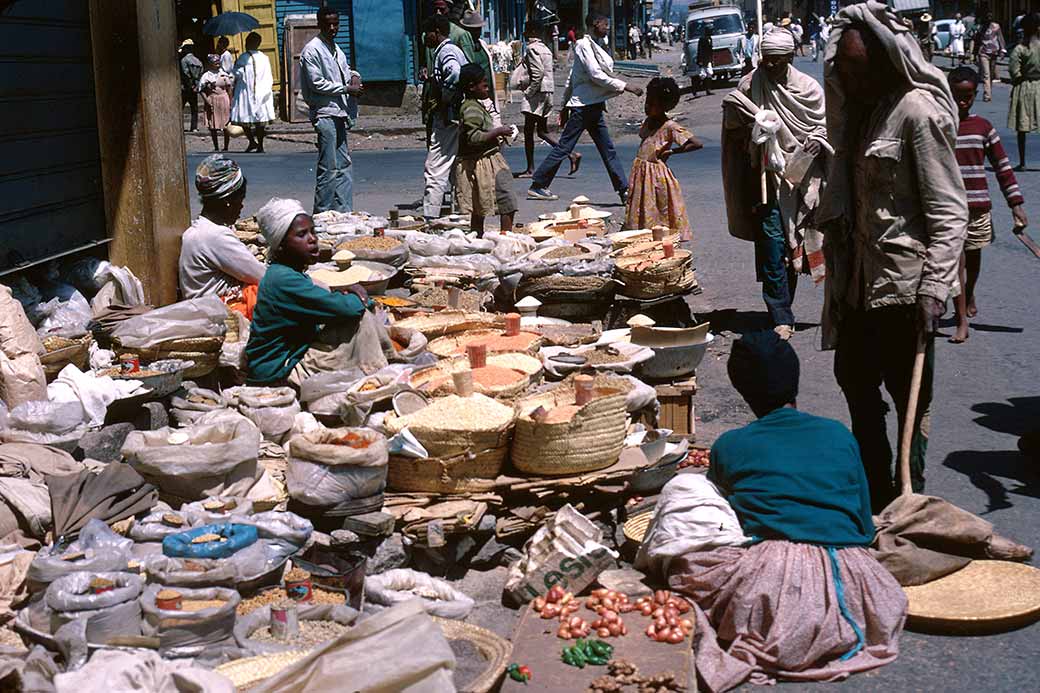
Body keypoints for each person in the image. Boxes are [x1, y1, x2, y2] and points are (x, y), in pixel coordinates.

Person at [636, 331, 906, 690]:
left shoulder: (732, 444)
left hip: (771, 580)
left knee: (688, 487)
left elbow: (735, 518)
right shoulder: (838, 433)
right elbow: (862, 519)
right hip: (854, 580)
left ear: (743, 391)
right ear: (795, 379)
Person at [818, 3, 967, 511]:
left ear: (882, 65)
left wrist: (935, 289)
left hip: (905, 292)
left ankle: (909, 499)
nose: (845, 76)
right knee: (856, 388)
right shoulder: (857, 118)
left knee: (909, 405)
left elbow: (949, 213)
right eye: (843, 66)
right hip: (859, 287)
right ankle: (876, 492)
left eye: (857, 68)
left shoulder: (917, 115)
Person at [722, 28, 830, 340]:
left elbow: (824, 127)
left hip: (800, 179)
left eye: (779, 62)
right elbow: (732, 123)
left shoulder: (809, 88)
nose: (771, 68)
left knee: (792, 245)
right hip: (765, 179)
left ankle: (785, 305)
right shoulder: (750, 84)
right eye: (767, 61)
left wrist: (816, 142)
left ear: (791, 58)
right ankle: (780, 314)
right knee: (772, 246)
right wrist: (751, 122)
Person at [245, 198, 370, 386]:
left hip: (285, 358)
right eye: (302, 234)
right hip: (277, 369)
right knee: (363, 318)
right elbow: (349, 309)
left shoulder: (285, 272)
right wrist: (362, 297)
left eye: (313, 231)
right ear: (280, 245)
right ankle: (375, 369)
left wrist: (343, 294)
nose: (312, 239)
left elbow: (321, 300)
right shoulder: (283, 280)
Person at [527, 13, 643, 204]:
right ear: (596, 23)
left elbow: (571, 79)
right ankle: (538, 184)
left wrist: (564, 105)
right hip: (583, 107)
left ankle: (623, 190)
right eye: (606, 23)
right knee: (566, 147)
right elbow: (595, 74)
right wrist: (625, 86)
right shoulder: (582, 45)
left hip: (593, 106)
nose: (608, 27)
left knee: (607, 150)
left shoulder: (594, 46)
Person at [948, 67, 1027, 344]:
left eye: (968, 96)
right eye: (958, 96)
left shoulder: (983, 127)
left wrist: (1016, 204)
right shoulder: (940, 125)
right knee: (955, 261)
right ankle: (961, 319)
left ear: (975, 95)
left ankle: (969, 292)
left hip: (978, 206)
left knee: (973, 257)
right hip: (949, 208)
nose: (963, 102)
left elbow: (1003, 168)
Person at [179, 155, 265, 318]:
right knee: (277, 290)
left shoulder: (198, 229)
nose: (242, 206)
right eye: (240, 199)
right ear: (228, 201)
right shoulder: (215, 236)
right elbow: (261, 276)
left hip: (202, 308)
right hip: (214, 313)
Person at [300, 6, 363, 214]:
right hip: (325, 112)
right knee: (328, 167)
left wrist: (353, 76)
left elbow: (344, 71)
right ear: (319, 24)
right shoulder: (313, 49)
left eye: (336, 24)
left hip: (340, 112)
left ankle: (343, 212)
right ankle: (323, 214)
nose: (333, 28)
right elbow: (317, 83)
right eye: (328, 24)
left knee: (344, 165)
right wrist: (346, 88)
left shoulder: (336, 49)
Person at [625, 77, 702, 241]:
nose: (648, 106)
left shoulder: (670, 126)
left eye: (653, 104)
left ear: (664, 106)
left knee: (659, 208)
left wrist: (673, 152)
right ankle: (644, 235)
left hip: (656, 176)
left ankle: (660, 238)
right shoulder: (648, 122)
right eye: (647, 101)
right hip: (641, 172)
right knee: (641, 206)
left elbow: (696, 143)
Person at [456, 64, 518, 239]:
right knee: (506, 200)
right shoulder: (472, 108)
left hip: (484, 160)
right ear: (471, 87)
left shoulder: (473, 105)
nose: (487, 88)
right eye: (484, 84)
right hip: (483, 162)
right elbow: (473, 137)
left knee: (479, 205)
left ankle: (478, 238)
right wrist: (499, 131)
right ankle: (505, 238)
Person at [514, 22, 580, 178]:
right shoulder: (546, 49)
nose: (524, 34)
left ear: (532, 32)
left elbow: (538, 74)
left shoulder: (532, 49)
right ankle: (571, 154)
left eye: (526, 31)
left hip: (537, 93)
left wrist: (528, 92)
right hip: (548, 91)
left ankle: (530, 169)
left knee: (530, 131)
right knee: (542, 131)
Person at [421, 15, 467, 220]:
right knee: (456, 166)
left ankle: (431, 216)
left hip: (448, 117)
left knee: (435, 167)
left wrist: (446, 100)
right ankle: (460, 214)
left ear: (437, 32)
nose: (425, 37)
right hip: (457, 117)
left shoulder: (446, 51)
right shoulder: (448, 50)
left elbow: (455, 73)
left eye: (427, 33)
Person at [230, 32, 275, 153]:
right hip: (262, 92)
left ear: (248, 43)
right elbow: (268, 75)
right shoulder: (264, 58)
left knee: (244, 119)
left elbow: (238, 74)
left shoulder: (244, 58)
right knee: (260, 121)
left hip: (246, 93)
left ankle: (252, 142)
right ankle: (260, 145)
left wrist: (235, 66)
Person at [1009, 12, 1040, 170]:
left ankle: (1022, 162)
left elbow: (1014, 71)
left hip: (1024, 86)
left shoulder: (1020, 49)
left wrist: (1019, 77)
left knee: (1022, 127)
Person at [459, 10, 500, 125]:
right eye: (473, 30)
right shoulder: (463, 47)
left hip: (488, 94)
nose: (477, 32)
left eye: (478, 29)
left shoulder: (482, 44)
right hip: (475, 96)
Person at [198, 55, 233, 152]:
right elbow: (201, 90)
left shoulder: (224, 74)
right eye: (215, 63)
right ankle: (216, 147)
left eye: (218, 62)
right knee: (212, 125)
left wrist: (230, 102)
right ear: (210, 64)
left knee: (226, 124)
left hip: (224, 99)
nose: (217, 64)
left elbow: (229, 89)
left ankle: (226, 146)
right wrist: (207, 101)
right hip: (212, 100)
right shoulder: (206, 76)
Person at [974, 12, 1006, 102]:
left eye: (990, 16)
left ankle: (989, 91)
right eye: (987, 16)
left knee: (991, 74)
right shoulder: (980, 27)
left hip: (994, 53)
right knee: (986, 74)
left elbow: (1001, 38)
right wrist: (974, 54)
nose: (989, 18)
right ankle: (987, 95)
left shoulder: (996, 26)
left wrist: (1003, 50)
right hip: (983, 53)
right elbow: (976, 41)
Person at [179, 39, 203, 132]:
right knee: (194, 108)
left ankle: (180, 125)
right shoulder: (197, 60)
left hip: (186, 87)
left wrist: (189, 85)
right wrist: (196, 85)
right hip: (195, 87)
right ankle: (194, 127)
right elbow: (200, 74)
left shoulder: (184, 60)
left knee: (181, 106)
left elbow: (186, 74)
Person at [692, 25, 714, 96]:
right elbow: (700, 50)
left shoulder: (710, 38)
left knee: (710, 73)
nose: (712, 32)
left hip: (708, 59)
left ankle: (708, 90)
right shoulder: (702, 39)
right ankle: (694, 88)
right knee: (702, 75)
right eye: (711, 30)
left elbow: (710, 51)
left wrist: (712, 59)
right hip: (703, 59)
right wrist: (700, 61)